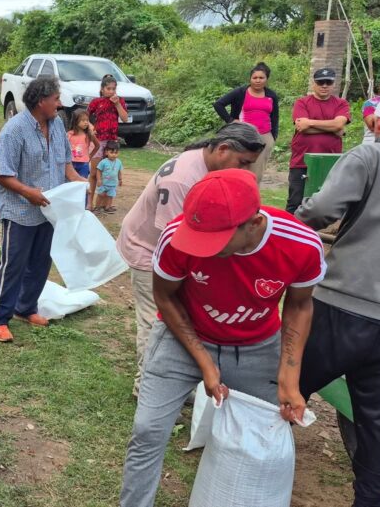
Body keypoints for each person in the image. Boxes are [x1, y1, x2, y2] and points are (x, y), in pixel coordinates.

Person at [120, 168, 322, 507]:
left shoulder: (301, 244)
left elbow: (299, 306)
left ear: (254, 224)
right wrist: (205, 363)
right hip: (181, 339)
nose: (201, 249)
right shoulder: (177, 237)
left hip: (256, 346)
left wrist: (289, 377)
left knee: (262, 436)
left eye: (215, 241)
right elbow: (165, 297)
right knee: (147, 430)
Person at [295, 90, 380, 507]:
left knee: (283, 389)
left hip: (344, 305)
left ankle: (247, 469)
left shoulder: (369, 155)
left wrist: (295, 221)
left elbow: (321, 210)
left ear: (378, 123)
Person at [117, 123, 265, 397]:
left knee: (183, 318)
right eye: (243, 162)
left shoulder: (210, 168)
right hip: (149, 249)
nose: (247, 171)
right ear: (222, 149)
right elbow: (173, 242)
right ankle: (148, 388)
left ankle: (178, 384)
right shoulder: (183, 180)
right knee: (157, 322)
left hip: (175, 251)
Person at [0, 76, 86, 343]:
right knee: (14, 264)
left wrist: (78, 181)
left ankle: (25, 307)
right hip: (19, 210)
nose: (60, 104)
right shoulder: (14, 130)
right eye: (56, 99)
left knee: (41, 262)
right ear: (41, 101)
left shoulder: (57, 125)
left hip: (49, 210)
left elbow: (65, 163)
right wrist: (28, 192)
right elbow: (0, 172)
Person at [285, 67, 350, 213]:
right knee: (295, 203)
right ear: (314, 83)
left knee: (325, 205)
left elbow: (338, 124)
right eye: (320, 82)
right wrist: (333, 129)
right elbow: (302, 127)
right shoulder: (302, 102)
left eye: (328, 82)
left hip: (329, 162)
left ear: (334, 84)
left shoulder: (341, 103)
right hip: (301, 161)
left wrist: (310, 122)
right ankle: (291, 228)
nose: (324, 86)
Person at [213, 62, 280, 182]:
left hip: (264, 137)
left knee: (256, 174)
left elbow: (275, 118)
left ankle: (252, 192)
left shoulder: (271, 96)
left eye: (261, 78)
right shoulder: (240, 92)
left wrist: (273, 137)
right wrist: (231, 120)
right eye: (255, 77)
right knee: (238, 170)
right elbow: (219, 104)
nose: (258, 80)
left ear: (266, 79)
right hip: (242, 137)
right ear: (250, 78)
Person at [86, 74, 128, 165]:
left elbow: (125, 119)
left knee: (109, 167)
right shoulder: (96, 101)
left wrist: (117, 104)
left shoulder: (120, 100)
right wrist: (90, 126)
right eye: (108, 89)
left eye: (113, 89)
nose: (111, 91)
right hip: (98, 138)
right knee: (95, 167)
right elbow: (85, 116)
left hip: (112, 139)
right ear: (102, 89)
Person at [92, 141, 123, 214]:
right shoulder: (103, 162)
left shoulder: (119, 162)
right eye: (111, 152)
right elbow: (99, 171)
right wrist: (99, 180)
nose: (114, 155)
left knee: (110, 196)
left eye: (116, 153)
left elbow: (119, 171)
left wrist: (120, 179)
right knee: (100, 195)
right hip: (103, 183)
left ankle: (108, 207)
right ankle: (97, 207)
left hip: (113, 184)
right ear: (106, 152)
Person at [67, 109, 99, 179]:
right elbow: (64, 148)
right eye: (83, 120)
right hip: (71, 163)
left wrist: (90, 156)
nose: (86, 122)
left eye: (87, 120)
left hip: (84, 164)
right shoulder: (69, 134)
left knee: (82, 182)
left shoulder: (89, 134)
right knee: (71, 182)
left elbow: (97, 146)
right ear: (76, 121)